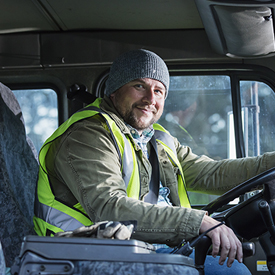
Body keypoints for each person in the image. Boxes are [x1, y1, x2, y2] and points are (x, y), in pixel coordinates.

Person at [34, 49, 275, 274]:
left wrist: (271, 166)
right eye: (140, 86)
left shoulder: (157, 139)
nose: (150, 98)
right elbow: (108, 208)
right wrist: (197, 221)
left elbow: (211, 173)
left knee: (233, 264)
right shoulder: (87, 135)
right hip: (93, 256)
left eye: (159, 90)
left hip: (153, 248)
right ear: (114, 90)